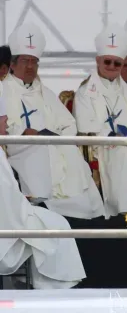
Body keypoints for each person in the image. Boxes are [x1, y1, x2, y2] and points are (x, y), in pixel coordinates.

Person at [2, 23, 104, 220]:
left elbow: (69, 124)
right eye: (25, 61)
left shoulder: (46, 93)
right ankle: (48, 208)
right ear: (13, 64)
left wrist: (59, 138)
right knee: (41, 152)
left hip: (53, 144)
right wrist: (23, 133)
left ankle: (84, 215)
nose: (30, 66)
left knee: (71, 154)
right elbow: (6, 127)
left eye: (34, 61)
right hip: (22, 148)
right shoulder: (3, 91)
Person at [0, 94, 87, 289]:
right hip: (8, 221)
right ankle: (55, 288)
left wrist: (19, 199)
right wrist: (25, 204)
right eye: (4, 120)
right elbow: (8, 201)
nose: (6, 125)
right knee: (59, 225)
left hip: (9, 213)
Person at [73, 24, 127, 218]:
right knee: (125, 158)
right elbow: (85, 129)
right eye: (107, 62)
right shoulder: (85, 93)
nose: (112, 67)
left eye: (118, 64)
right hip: (102, 150)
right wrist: (112, 137)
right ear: (98, 60)